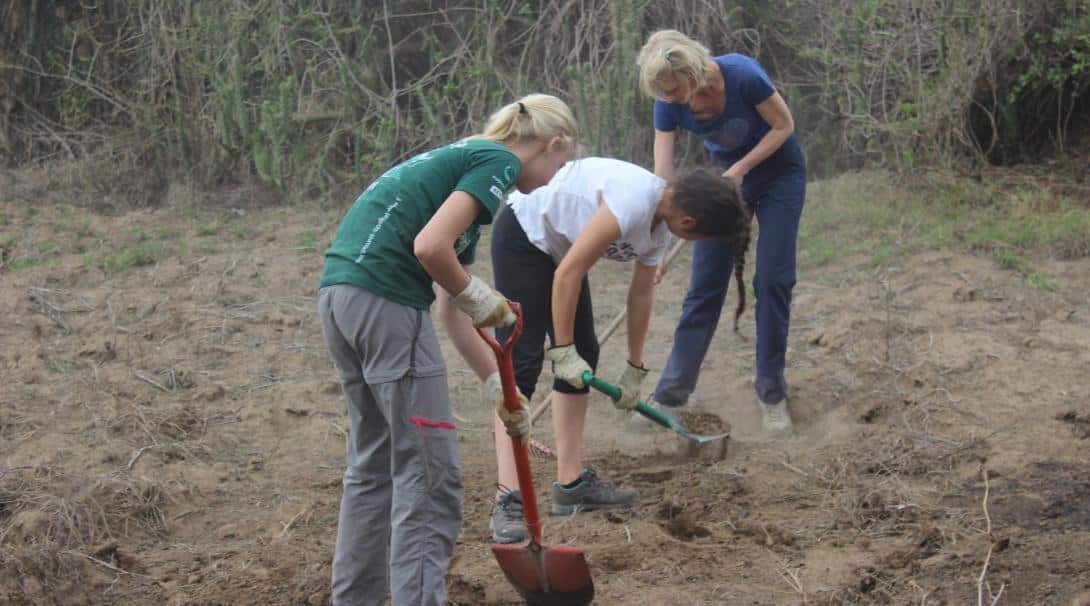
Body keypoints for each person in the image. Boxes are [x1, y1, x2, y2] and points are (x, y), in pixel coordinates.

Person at [316, 93, 577, 606]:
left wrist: (500, 393)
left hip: (341, 297)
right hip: (387, 302)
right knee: (430, 475)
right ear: (552, 144)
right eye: (561, 165)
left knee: (373, 466)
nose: (554, 178)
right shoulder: (497, 160)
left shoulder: (456, 160)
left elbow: (449, 310)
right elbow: (430, 248)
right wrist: (476, 292)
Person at [439, 157, 752, 544]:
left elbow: (640, 294)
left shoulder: (662, 224)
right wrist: (563, 348)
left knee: (583, 352)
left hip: (559, 252)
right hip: (524, 234)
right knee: (521, 365)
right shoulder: (634, 200)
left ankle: (569, 485)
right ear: (690, 223)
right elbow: (569, 273)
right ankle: (507, 497)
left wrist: (635, 367)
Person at [635, 29, 807, 435]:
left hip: (779, 176)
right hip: (722, 186)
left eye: (675, 90)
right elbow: (663, 184)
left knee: (773, 279)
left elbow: (784, 126)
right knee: (705, 286)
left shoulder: (743, 75)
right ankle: (671, 396)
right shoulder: (667, 104)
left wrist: (741, 170)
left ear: (692, 71)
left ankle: (771, 393)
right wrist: (655, 248)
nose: (671, 100)